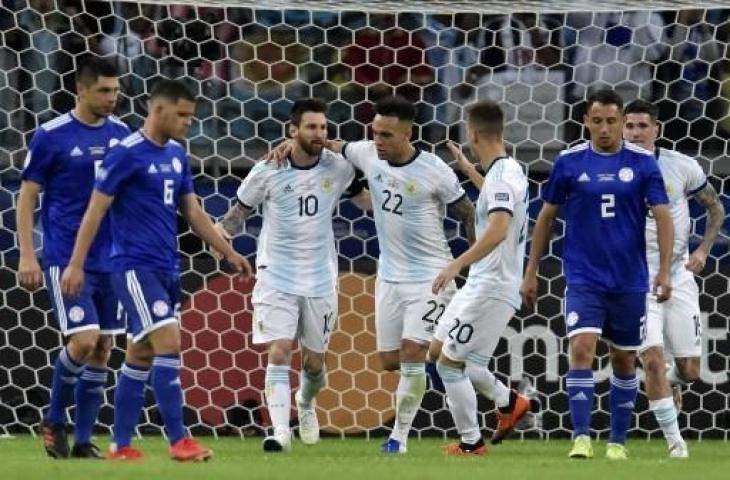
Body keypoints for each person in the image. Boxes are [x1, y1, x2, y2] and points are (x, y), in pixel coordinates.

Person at [60, 79, 252, 461]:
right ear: (158, 110)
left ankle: (120, 445)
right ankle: (180, 440)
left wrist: (227, 250)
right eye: (182, 115)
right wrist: (76, 264)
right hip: (133, 267)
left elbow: (193, 211)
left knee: (141, 354)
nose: (187, 123)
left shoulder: (177, 155)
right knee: (169, 342)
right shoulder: (125, 153)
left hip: (167, 267)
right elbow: (95, 210)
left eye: (191, 117)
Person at [520, 89, 674, 460]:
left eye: (611, 121)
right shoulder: (569, 162)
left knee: (623, 359)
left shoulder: (643, 163)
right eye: (597, 121)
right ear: (586, 122)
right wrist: (531, 270)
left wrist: (665, 270)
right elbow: (546, 216)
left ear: (622, 122)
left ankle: (617, 442)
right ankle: (582, 438)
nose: (604, 128)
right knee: (581, 347)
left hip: (629, 279)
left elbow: (664, 216)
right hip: (583, 276)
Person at [322, 96, 477, 454]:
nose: (378, 141)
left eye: (387, 135)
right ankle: (463, 371)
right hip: (388, 278)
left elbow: (468, 213)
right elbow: (332, 146)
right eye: (375, 133)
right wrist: (291, 143)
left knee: (410, 353)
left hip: (431, 278)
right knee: (391, 361)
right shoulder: (366, 153)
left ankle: (398, 439)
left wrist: (474, 262)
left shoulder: (434, 169)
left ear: (408, 133)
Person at [214, 98, 369, 452]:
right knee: (280, 350)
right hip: (276, 275)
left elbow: (365, 200)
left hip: (320, 277)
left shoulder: (339, 167)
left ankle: (306, 402)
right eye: (311, 127)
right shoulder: (267, 170)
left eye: (324, 127)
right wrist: (221, 237)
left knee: (314, 365)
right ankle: (281, 433)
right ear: (293, 131)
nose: (319, 133)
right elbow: (237, 215)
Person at [17, 56, 130, 459]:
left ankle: (82, 441)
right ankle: (53, 419)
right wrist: (28, 255)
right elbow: (27, 195)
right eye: (103, 90)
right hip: (66, 258)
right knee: (82, 342)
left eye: (115, 90)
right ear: (81, 89)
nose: (111, 97)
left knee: (102, 349)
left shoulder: (123, 135)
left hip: (112, 259)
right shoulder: (51, 135)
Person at [624, 99, 725, 458]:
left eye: (642, 126)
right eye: (629, 126)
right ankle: (676, 445)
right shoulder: (612, 170)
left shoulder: (681, 167)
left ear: (657, 130)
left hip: (679, 275)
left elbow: (715, 208)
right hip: (634, 280)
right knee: (650, 359)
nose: (635, 133)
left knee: (691, 370)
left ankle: (671, 382)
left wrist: (702, 251)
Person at [431, 100, 530, 456]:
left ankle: (472, 444)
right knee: (439, 350)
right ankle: (508, 402)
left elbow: (499, 229)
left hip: (491, 285)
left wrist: (457, 263)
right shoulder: (508, 172)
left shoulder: (503, 176)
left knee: (449, 365)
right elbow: (494, 199)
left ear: (472, 132)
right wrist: (466, 168)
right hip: (484, 283)